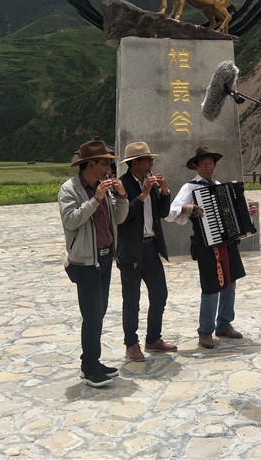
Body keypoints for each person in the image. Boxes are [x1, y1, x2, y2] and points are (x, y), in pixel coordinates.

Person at [58, 140, 129, 387]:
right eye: (105, 163)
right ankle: (89, 368)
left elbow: (119, 219)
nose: (109, 168)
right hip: (85, 262)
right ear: (91, 164)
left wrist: (122, 196)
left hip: (105, 258)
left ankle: (93, 361)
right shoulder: (69, 190)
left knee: (99, 312)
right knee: (92, 315)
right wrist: (96, 199)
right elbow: (71, 220)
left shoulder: (103, 187)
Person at [166, 146, 246, 349]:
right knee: (211, 286)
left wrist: (246, 212)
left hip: (226, 242)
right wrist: (188, 208)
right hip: (206, 244)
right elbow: (170, 213)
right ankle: (205, 331)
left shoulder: (219, 185)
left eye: (210, 162)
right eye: (203, 163)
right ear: (196, 166)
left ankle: (224, 323)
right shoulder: (189, 188)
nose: (207, 166)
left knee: (230, 281)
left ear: (214, 165)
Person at [116, 141, 178, 362]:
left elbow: (162, 213)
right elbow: (122, 218)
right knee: (132, 300)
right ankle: (131, 344)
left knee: (160, 294)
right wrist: (142, 195)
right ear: (135, 163)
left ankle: (153, 339)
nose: (152, 163)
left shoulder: (149, 182)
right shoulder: (121, 184)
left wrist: (164, 190)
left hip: (151, 248)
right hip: (131, 251)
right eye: (148, 160)